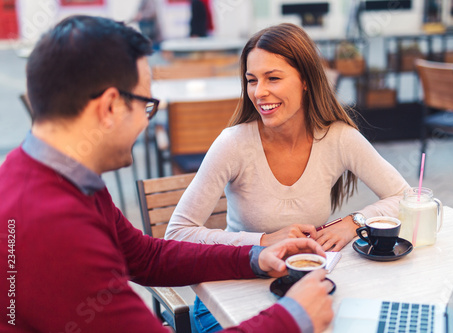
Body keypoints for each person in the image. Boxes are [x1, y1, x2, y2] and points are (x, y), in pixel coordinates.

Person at [0, 16, 334, 333]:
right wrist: (293, 318)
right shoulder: (52, 228)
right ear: (109, 107)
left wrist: (255, 256)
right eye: (146, 105)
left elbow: (146, 257)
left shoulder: (47, 172)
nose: (147, 122)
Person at [165, 23, 410, 332]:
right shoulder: (233, 144)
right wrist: (264, 241)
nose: (259, 92)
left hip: (300, 288)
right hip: (228, 299)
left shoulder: (339, 138)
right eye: (252, 80)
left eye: (273, 78)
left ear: (306, 80)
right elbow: (177, 234)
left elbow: (406, 197)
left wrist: (354, 222)